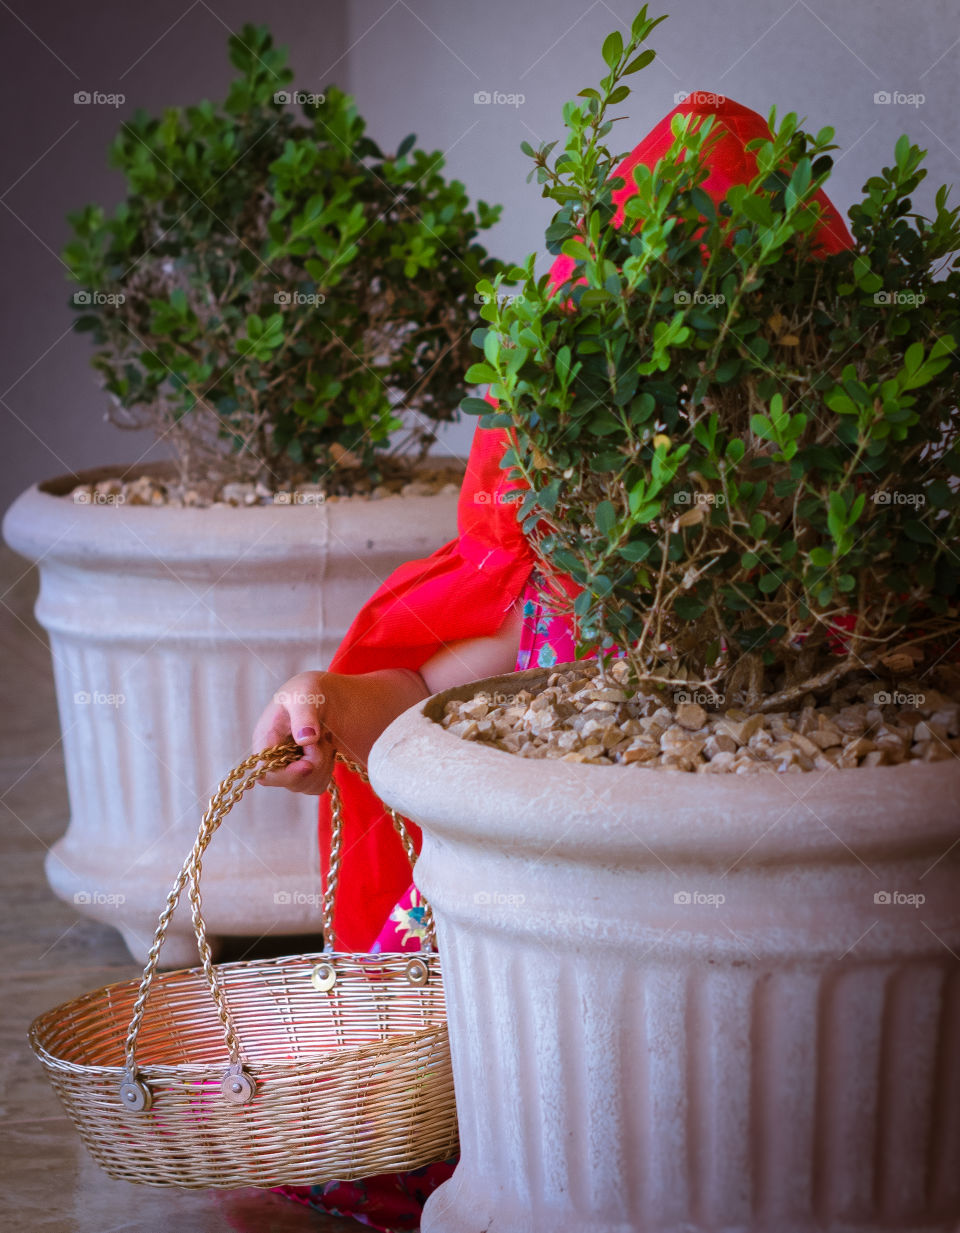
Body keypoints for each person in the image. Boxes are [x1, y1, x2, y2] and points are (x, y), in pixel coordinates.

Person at [250, 91, 853, 1230]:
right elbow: (435, 695)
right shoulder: (560, 594)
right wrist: (331, 704)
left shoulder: (844, 612)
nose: (684, 454)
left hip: (725, 968)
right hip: (512, 980)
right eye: (646, 411)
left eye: (735, 405)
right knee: (382, 1129)